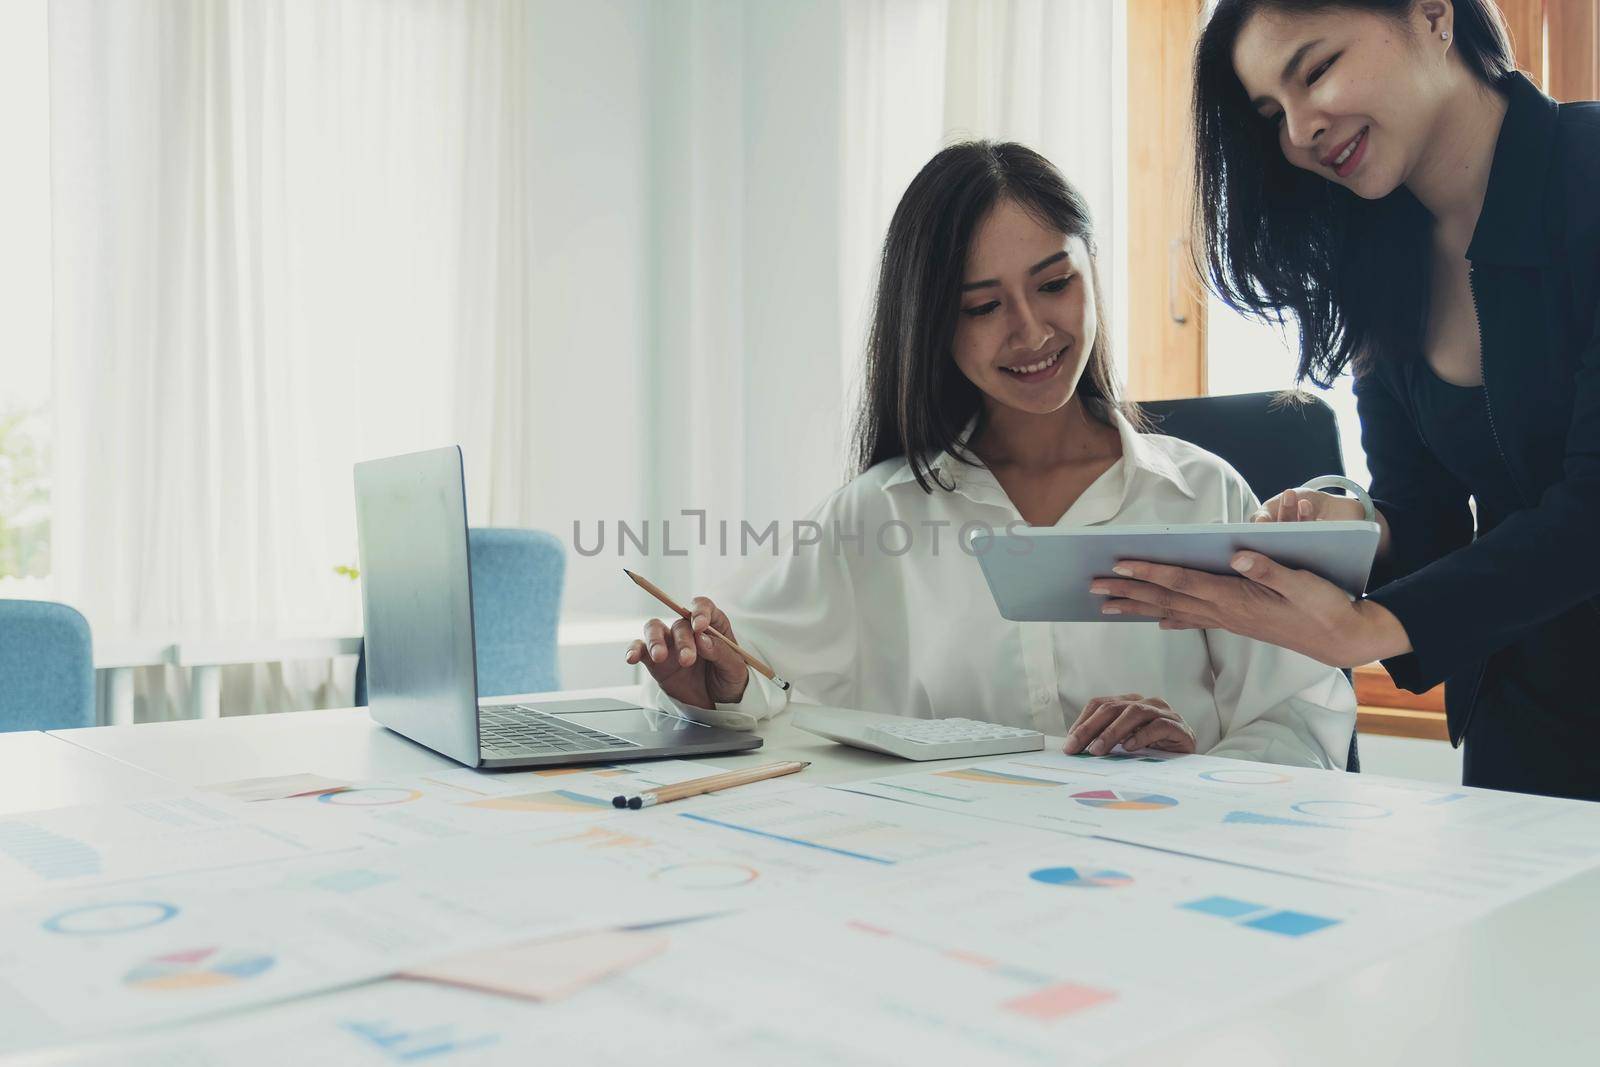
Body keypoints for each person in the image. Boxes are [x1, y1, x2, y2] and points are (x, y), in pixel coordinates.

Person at [622, 141, 1355, 769]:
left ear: (1091, 271)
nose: (1031, 330)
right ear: (932, 324)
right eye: (982, 306)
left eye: (1054, 283)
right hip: (957, 890)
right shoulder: (875, 517)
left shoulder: (1200, 497)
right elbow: (760, 691)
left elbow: (1302, 719)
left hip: (1166, 883)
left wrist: (1192, 770)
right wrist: (710, 682)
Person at [1092, 0, 1600, 799]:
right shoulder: (1376, 263)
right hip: (1523, 719)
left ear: (1433, 13)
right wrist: (1354, 529)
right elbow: (1429, 523)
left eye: (1316, 69)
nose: (1299, 131)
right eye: (1271, 113)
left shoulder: (1589, 172)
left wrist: (1363, 630)